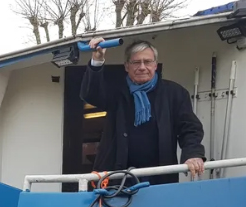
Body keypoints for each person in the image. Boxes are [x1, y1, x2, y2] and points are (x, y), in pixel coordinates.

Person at [80, 37, 206, 185]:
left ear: (155, 65)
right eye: (136, 62)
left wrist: (192, 155)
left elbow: (190, 129)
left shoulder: (175, 93)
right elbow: (90, 94)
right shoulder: (116, 91)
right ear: (127, 66)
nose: (142, 67)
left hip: (160, 176)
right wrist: (97, 60)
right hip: (117, 176)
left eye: (147, 62)